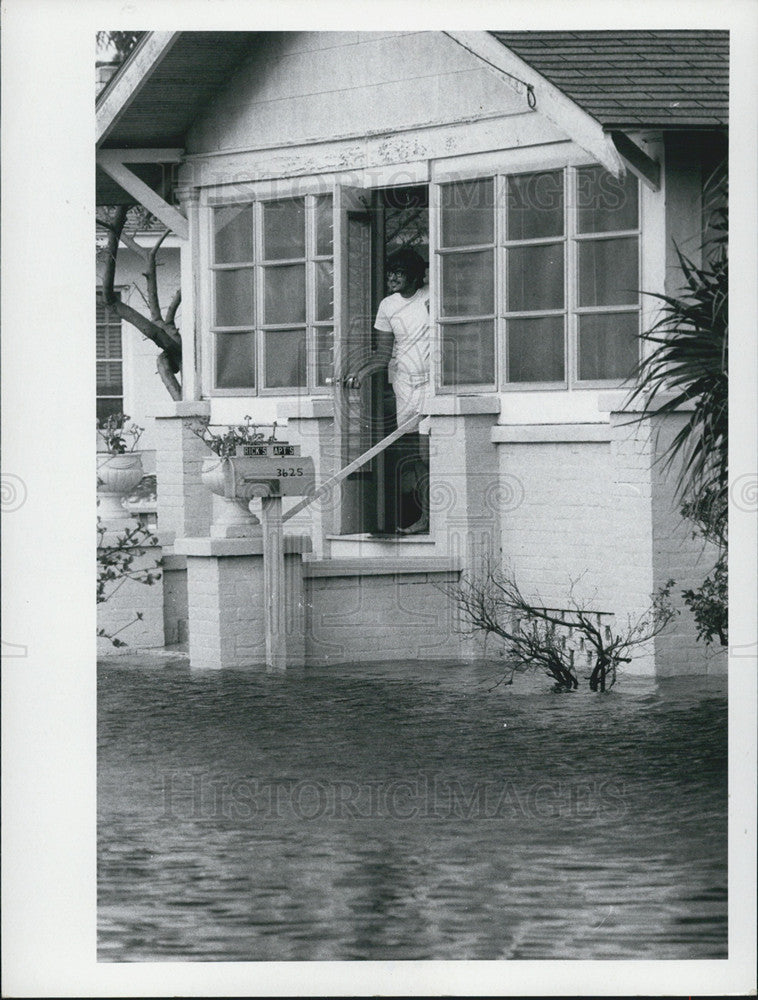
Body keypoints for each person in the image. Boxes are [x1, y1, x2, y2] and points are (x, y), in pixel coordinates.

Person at [352, 247, 431, 534]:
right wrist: (361, 373)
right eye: (390, 273)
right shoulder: (387, 305)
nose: (393, 278)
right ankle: (425, 519)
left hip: (433, 384)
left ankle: (438, 518)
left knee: (427, 454)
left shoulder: (431, 296)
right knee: (415, 457)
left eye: (399, 273)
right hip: (405, 385)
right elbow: (384, 351)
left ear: (414, 275)